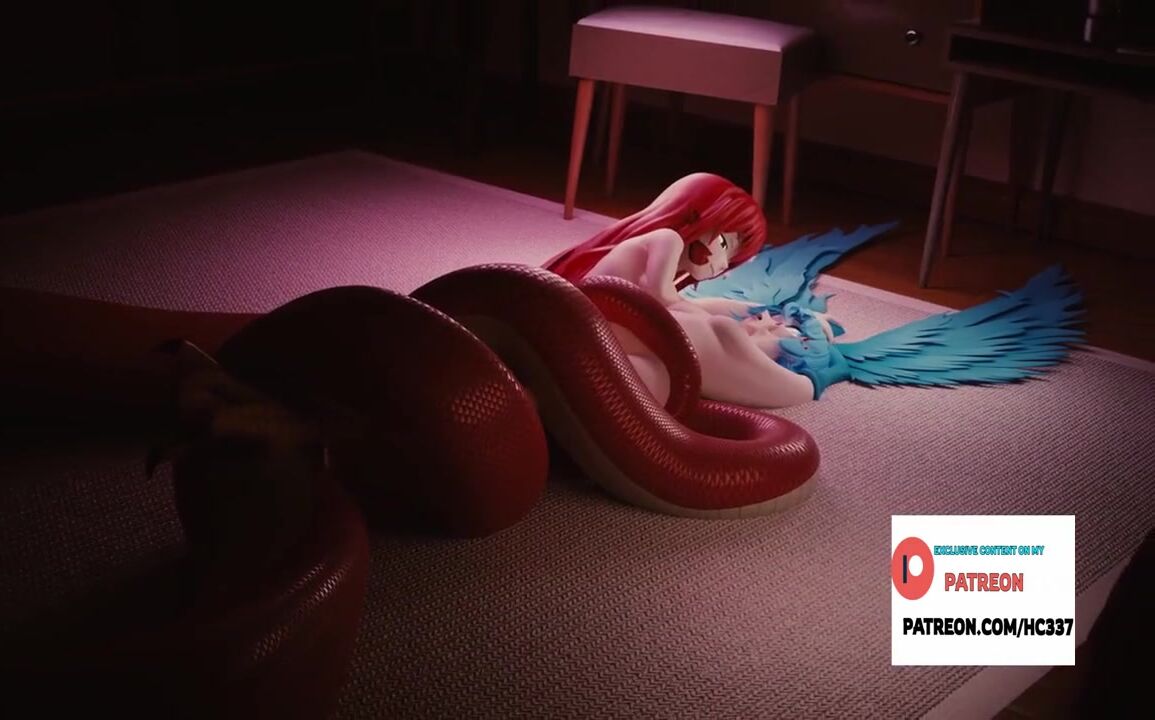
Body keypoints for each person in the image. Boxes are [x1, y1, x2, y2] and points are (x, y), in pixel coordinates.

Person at [544, 173, 821, 409]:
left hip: (608, 338)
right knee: (704, 337)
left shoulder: (666, 261)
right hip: (596, 326)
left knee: (665, 375)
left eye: (730, 260)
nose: (721, 264)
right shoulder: (669, 239)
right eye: (723, 244)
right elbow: (661, 297)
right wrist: (709, 319)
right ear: (695, 214)